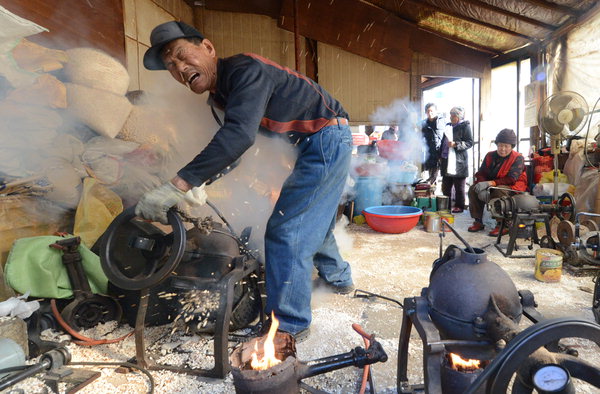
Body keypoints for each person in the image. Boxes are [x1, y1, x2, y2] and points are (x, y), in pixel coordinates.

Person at [136, 21, 354, 342]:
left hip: (325, 138)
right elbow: (236, 151)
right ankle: (339, 278)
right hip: (316, 143)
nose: (180, 68)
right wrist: (203, 181)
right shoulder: (219, 97)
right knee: (310, 219)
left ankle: (289, 326)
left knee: (285, 230)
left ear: (208, 48)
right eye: (171, 65)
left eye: (183, 55)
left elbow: (238, 136)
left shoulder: (244, 70)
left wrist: (181, 183)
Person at [467, 128, 527, 235]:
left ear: (512, 146)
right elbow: (482, 173)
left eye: (506, 146)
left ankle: (503, 224)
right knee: (473, 189)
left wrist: (490, 184)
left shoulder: (518, 158)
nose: (502, 149)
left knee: (498, 192)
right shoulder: (490, 156)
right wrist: (481, 185)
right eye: (500, 145)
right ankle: (478, 221)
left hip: (512, 187)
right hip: (493, 185)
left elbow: (511, 178)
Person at [440, 106, 473, 213]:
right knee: (446, 186)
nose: (451, 117)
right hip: (446, 160)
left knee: (459, 187)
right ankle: (447, 206)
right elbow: (443, 142)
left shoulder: (465, 126)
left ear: (459, 117)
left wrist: (456, 144)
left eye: (453, 115)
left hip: (458, 161)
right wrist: (440, 155)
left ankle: (459, 206)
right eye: (451, 115)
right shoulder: (448, 126)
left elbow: (469, 142)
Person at [421, 103, 444, 184]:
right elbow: (420, 137)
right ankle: (431, 193)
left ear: (436, 111)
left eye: (432, 111)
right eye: (428, 111)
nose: (430, 113)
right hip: (429, 153)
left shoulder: (442, 121)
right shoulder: (424, 124)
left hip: (441, 153)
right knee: (432, 177)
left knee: (443, 179)